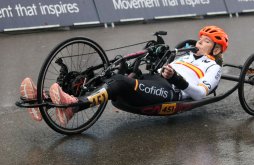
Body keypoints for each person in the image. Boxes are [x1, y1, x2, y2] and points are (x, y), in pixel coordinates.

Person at [20, 25, 229, 125]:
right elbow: (158, 67)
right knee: (116, 72)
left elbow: (200, 94)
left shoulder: (214, 68)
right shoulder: (185, 56)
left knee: (121, 83)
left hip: (171, 92)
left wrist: (176, 78)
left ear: (217, 50)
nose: (198, 43)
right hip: (156, 81)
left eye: (205, 42)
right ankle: (45, 99)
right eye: (199, 39)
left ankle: (74, 106)